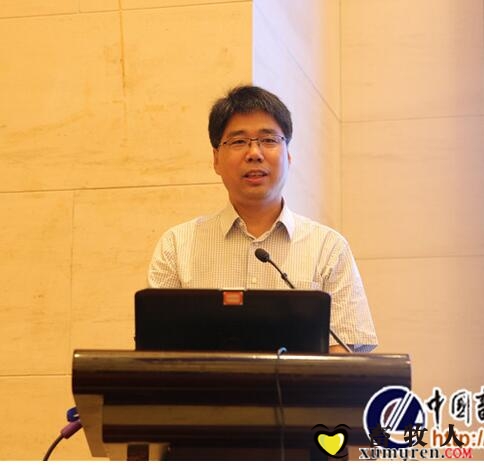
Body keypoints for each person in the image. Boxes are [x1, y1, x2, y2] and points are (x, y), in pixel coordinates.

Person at [148, 85, 377, 353]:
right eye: (238, 142)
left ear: (288, 154)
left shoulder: (328, 248)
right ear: (216, 159)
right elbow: (156, 351)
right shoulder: (177, 246)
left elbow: (344, 352)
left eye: (268, 140)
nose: (254, 153)